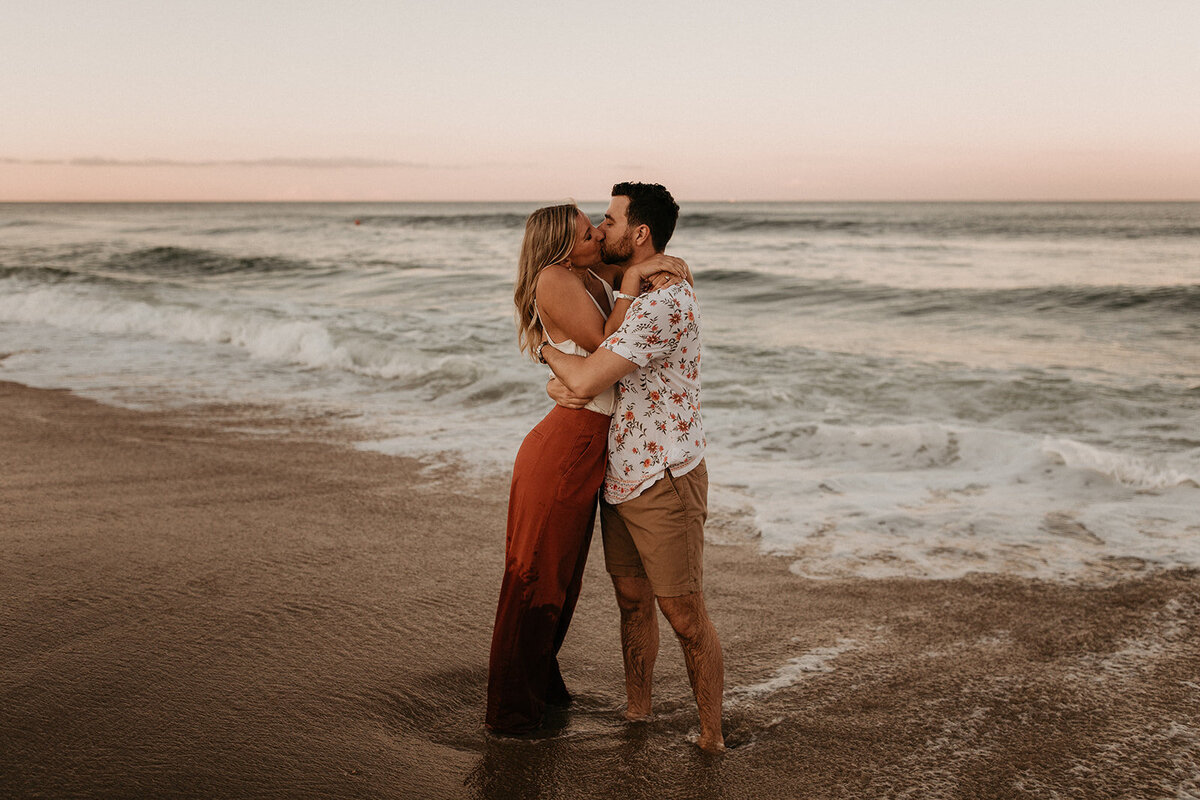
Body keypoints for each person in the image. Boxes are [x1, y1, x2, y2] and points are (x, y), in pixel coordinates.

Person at [485, 203, 688, 733]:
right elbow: (606, 344)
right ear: (559, 245)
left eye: (597, 225)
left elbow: (642, 262)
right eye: (585, 232)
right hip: (565, 446)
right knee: (534, 577)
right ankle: (510, 715)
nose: (598, 233)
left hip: (589, 445)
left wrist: (649, 267)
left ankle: (541, 692)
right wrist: (633, 281)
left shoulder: (590, 271)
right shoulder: (554, 278)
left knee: (562, 580)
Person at [542, 182, 725, 753]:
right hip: (620, 472)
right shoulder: (634, 290)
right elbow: (588, 366)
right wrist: (564, 372)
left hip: (664, 476)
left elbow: (590, 376)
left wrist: (546, 355)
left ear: (638, 233)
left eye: (610, 219)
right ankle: (637, 713)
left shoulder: (665, 302)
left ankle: (712, 738)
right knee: (630, 603)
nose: (600, 228)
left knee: (685, 615)